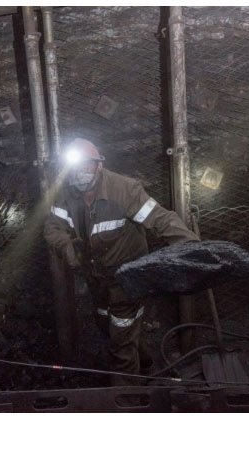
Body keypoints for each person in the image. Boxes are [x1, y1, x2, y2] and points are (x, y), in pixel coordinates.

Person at [43, 138, 199, 385]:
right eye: (74, 167)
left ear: (99, 165)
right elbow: (53, 227)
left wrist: (191, 247)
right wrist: (66, 247)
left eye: (86, 166)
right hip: (95, 275)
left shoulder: (124, 190)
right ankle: (144, 364)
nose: (80, 173)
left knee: (120, 339)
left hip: (127, 275)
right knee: (107, 323)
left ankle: (127, 394)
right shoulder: (65, 193)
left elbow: (161, 219)